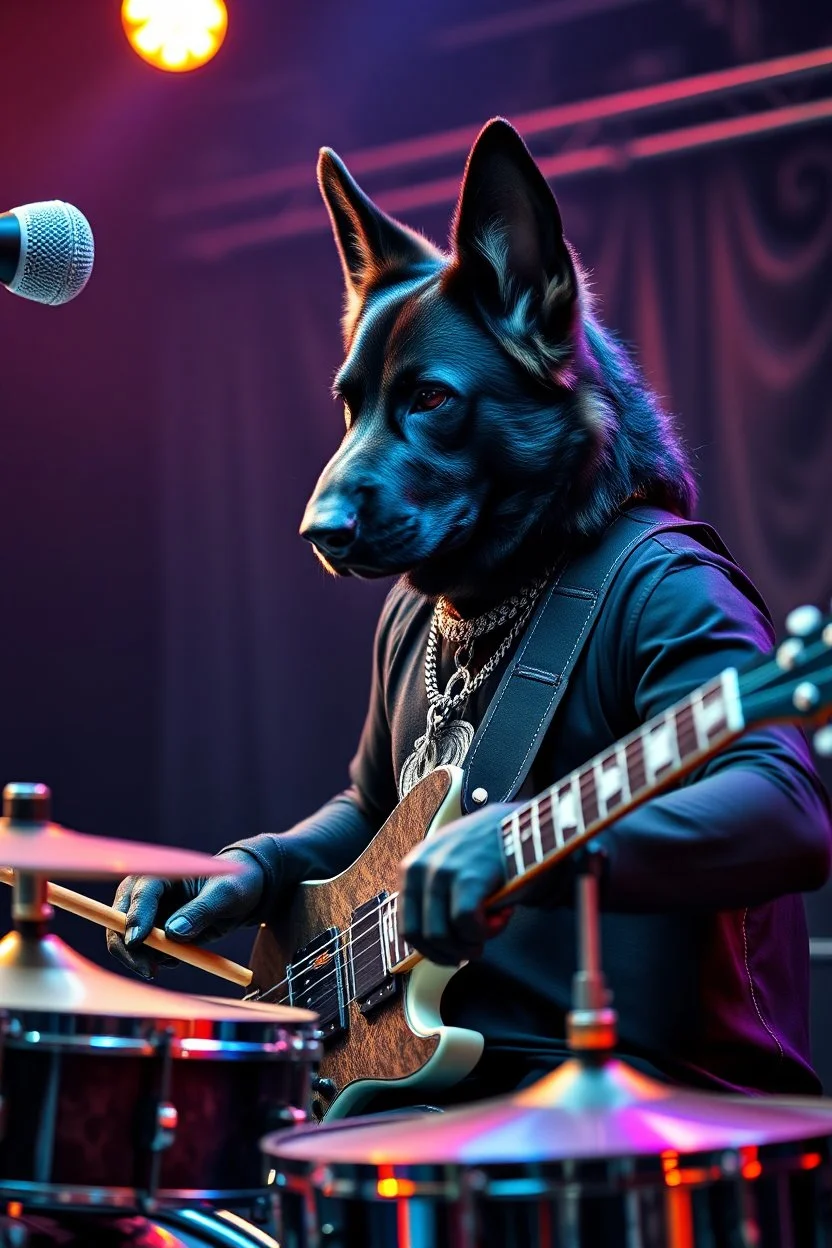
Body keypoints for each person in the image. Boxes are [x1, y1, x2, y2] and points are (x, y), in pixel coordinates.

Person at [108, 119, 832, 1103]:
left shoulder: (658, 585)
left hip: (646, 1131)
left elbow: (785, 809)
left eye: (425, 406)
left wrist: (532, 849)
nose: (331, 494)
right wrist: (258, 869)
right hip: (454, 1120)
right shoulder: (421, 610)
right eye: (359, 410)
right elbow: (374, 813)